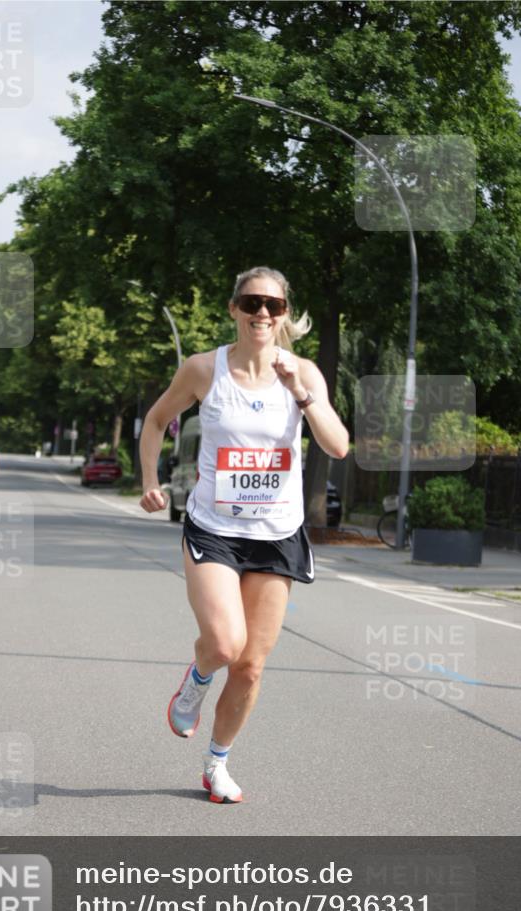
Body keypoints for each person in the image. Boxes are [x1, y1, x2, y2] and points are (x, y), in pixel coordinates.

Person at [139, 266, 349, 803]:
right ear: (233, 308)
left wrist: (302, 394)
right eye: (252, 303)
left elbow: (338, 445)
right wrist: (149, 480)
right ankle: (196, 680)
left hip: (277, 534)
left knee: (252, 666)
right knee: (226, 645)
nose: (262, 314)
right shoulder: (204, 369)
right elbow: (156, 419)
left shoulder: (304, 373)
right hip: (215, 528)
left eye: (273, 306)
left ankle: (216, 764)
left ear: (284, 316)